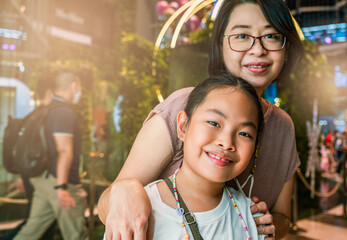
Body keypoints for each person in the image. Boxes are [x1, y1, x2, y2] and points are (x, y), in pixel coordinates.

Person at [98, 0, 304, 239]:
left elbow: (283, 217)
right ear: (220, 43)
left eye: (271, 36)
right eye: (241, 36)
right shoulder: (184, 104)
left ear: (286, 46)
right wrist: (126, 188)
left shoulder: (283, 125)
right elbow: (108, 207)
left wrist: (261, 226)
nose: (257, 49)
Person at [14, 70, 87, 240]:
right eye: (79, 86)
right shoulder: (64, 113)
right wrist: (62, 188)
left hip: (43, 179)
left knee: (31, 231)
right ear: (74, 85)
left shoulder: (45, 110)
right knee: (76, 235)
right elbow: (64, 150)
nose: (80, 91)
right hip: (60, 181)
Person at [4, 74, 56, 240]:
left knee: (36, 222)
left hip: (30, 175)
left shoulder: (31, 117)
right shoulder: (45, 117)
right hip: (42, 177)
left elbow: (24, 151)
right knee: (37, 224)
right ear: (49, 92)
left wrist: (23, 175)